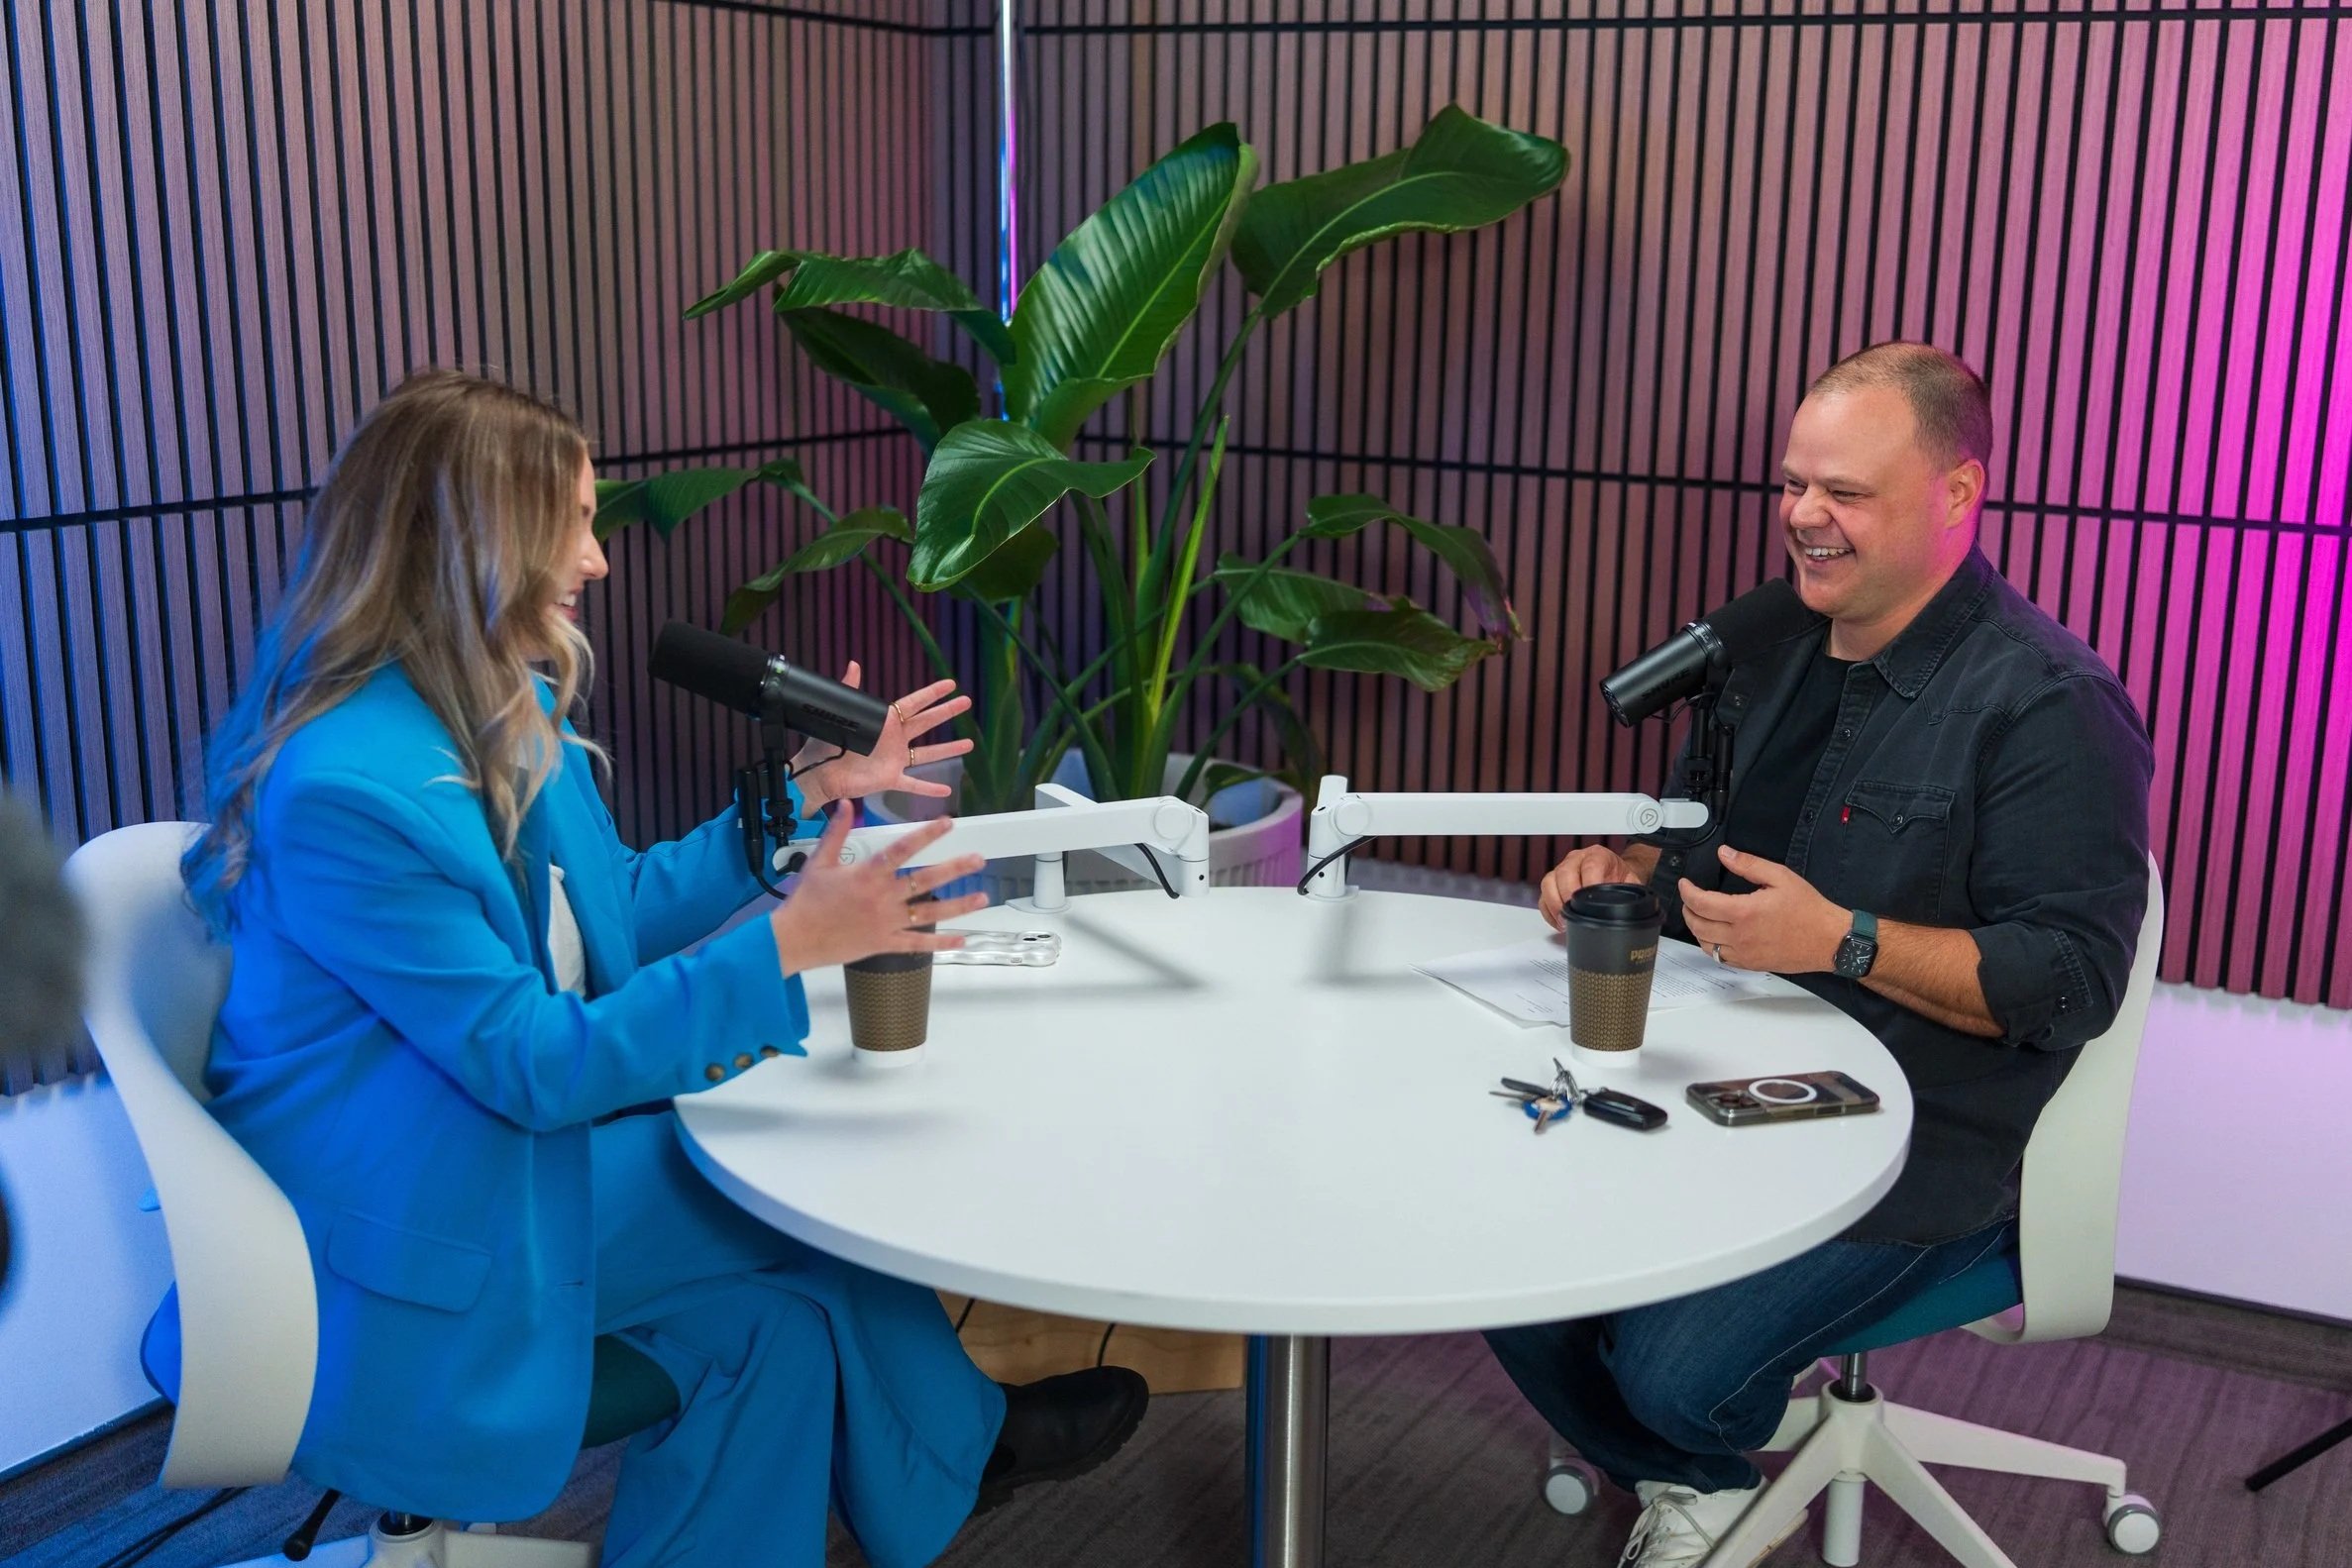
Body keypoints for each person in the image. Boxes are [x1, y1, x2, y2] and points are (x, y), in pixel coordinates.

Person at [162, 369, 1146, 1568]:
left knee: (772, 1324)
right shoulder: (348, 791)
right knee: (798, 1210)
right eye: (573, 524)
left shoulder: (493, 703)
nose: (598, 561)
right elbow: (532, 1062)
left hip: (487, 1163)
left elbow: (609, 907)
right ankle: (964, 1446)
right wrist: (788, 939)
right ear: (481, 544)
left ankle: (959, 1449)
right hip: (402, 1243)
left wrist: (805, 796)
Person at [1499, 343, 2154, 1567]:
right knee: (1490, 1248)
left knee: (1670, 1367)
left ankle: (1686, 1457)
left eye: (1843, 492)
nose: (1803, 515)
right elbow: (1699, 853)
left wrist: (1840, 941)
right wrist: (1627, 875)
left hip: (1922, 1144)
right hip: (1712, 1081)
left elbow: (2069, 979)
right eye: (1793, 483)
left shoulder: (2048, 704)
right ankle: (1683, 1475)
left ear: (1956, 494)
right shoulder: (1768, 650)